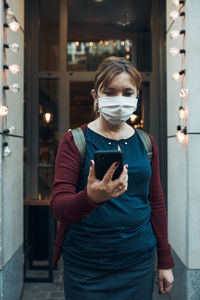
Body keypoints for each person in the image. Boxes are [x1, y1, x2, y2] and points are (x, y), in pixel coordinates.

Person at [50, 56, 174, 300]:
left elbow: (156, 202)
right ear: (96, 95)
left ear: (137, 96)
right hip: (86, 266)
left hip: (138, 263)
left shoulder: (146, 142)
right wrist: (90, 198)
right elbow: (59, 206)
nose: (120, 99)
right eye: (110, 91)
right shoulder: (75, 141)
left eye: (128, 93)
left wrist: (165, 260)